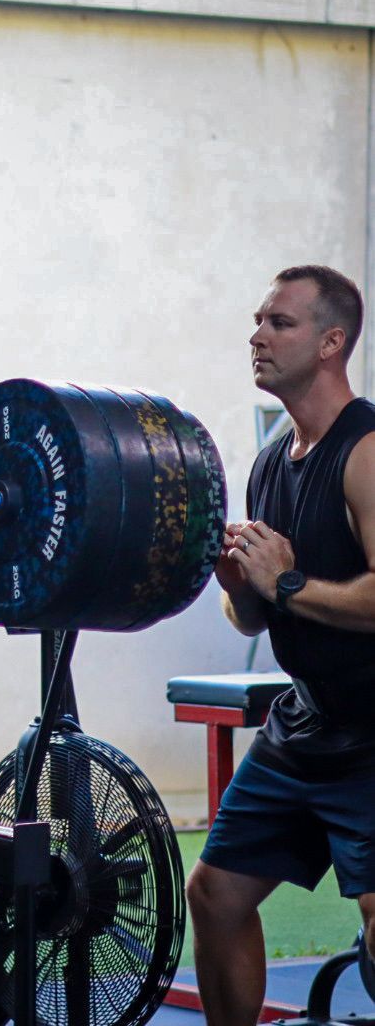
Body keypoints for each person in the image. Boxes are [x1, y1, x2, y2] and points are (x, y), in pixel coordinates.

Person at [191, 264, 375, 1024]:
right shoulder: (271, 462)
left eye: (280, 323)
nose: (257, 336)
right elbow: (257, 621)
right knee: (215, 893)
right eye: (258, 321)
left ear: (332, 343)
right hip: (306, 725)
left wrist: (289, 583)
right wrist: (244, 588)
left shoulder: (366, 452)